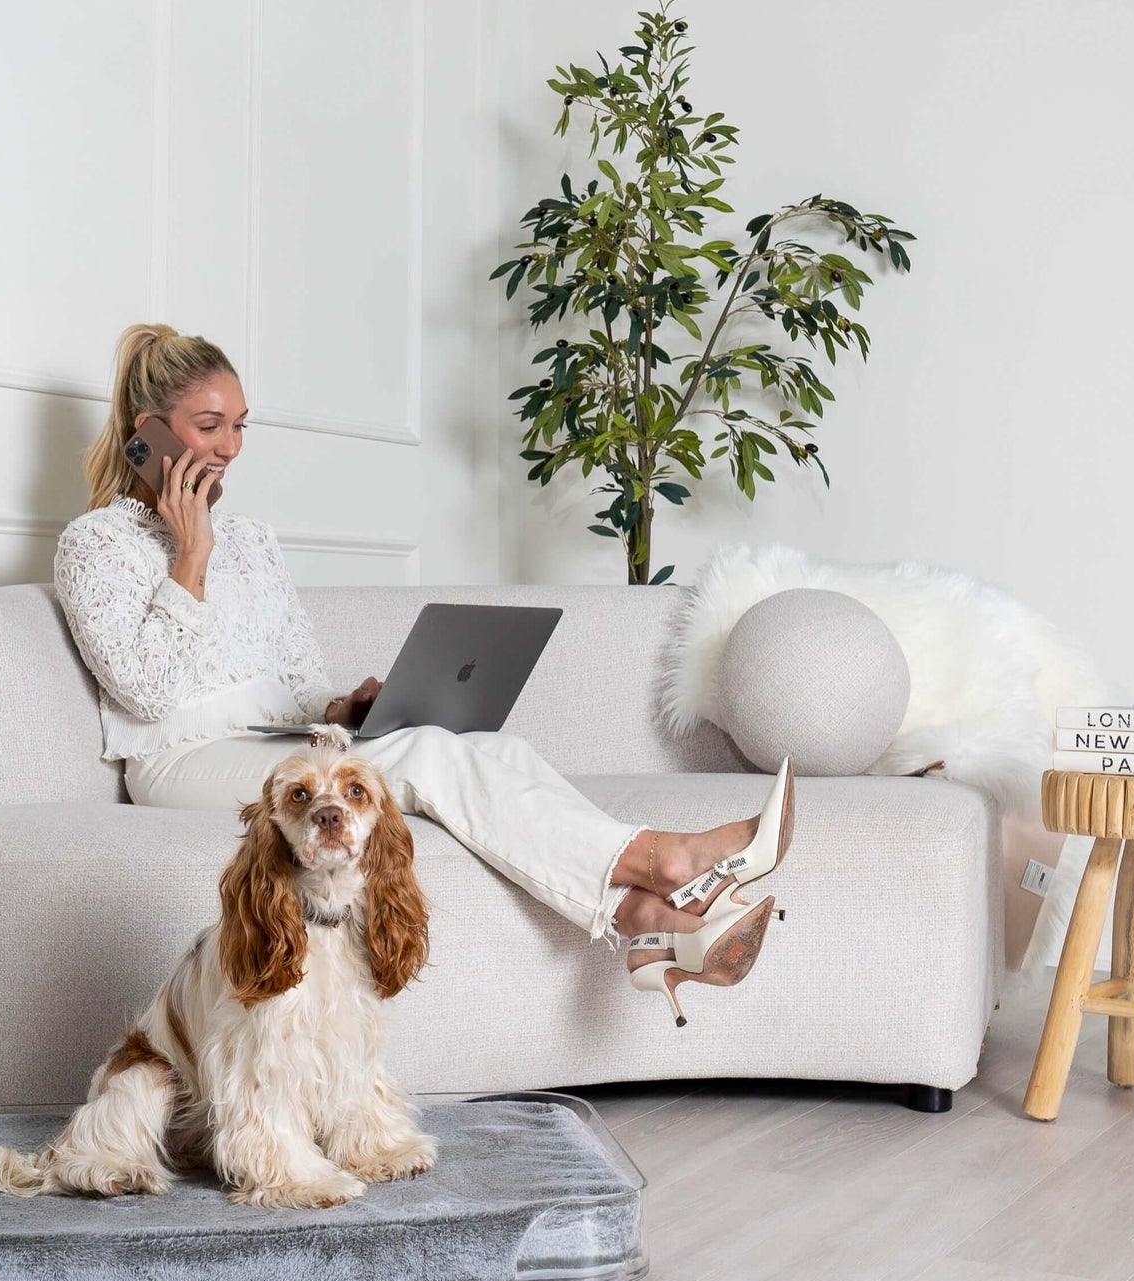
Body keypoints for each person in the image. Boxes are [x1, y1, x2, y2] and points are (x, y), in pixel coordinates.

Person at [53, 323, 794, 1023]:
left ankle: (644, 921)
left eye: (241, 425)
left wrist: (346, 707)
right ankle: (661, 863)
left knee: (491, 749)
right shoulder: (96, 545)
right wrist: (190, 555)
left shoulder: (252, 541)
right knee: (424, 756)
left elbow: (297, 677)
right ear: (148, 432)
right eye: (209, 426)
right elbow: (142, 690)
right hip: (181, 761)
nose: (231, 447)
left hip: (283, 747)